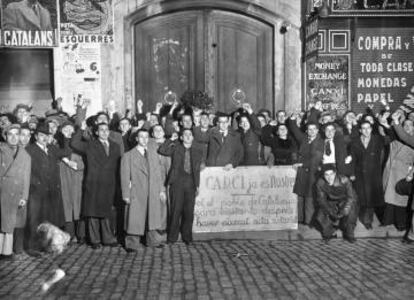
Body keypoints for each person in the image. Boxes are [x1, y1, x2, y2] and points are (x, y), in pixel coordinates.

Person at [71, 122, 120, 249]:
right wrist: (81, 128)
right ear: (96, 132)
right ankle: (95, 240)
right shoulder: (90, 145)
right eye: (101, 130)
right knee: (92, 211)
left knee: (106, 211)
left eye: (106, 129)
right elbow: (74, 143)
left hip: (109, 182)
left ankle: (108, 238)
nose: (104, 132)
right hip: (94, 182)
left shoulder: (115, 146)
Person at [25, 123, 70, 253]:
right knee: (36, 220)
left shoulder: (52, 148)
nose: (44, 138)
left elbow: (67, 152)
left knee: (50, 219)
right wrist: (36, 184)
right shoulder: (30, 150)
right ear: (36, 136)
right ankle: (33, 247)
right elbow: (27, 171)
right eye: (41, 135)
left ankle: (48, 246)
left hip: (52, 191)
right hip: (37, 192)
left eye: (47, 136)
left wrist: (65, 138)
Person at [120, 129, 167, 251]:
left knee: (152, 216)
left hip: (152, 191)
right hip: (136, 191)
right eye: (141, 137)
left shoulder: (153, 154)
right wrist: (126, 194)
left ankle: (153, 241)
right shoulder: (128, 156)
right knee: (134, 218)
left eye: (146, 137)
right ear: (136, 139)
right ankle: (132, 243)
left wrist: (161, 190)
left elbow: (158, 174)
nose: (144, 140)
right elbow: (124, 177)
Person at [158, 128, 204, 245]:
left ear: (193, 137)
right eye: (185, 134)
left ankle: (187, 237)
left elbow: (197, 170)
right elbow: (162, 150)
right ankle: (172, 237)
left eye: (190, 134)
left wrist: (197, 185)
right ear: (181, 137)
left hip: (191, 183)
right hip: (177, 182)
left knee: (189, 212)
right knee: (175, 211)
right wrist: (170, 140)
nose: (188, 136)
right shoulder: (176, 148)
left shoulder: (198, 150)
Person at [0, 124, 31, 259]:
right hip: (2, 191)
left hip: (16, 193)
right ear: (5, 136)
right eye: (10, 134)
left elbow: (26, 177)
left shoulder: (25, 155)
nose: (13, 137)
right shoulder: (1, 151)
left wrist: (24, 196)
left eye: (16, 134)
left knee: (11, 223)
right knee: (2, 222)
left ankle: (6, 251)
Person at [288, 115, 324, 225]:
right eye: (310, 129)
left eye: (314, 129)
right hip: (302, 172)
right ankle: (300, 219)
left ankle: (309, 221)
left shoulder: (321, 142)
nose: (312, 131)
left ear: (317, 130)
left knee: (309, 197)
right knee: (300, 196)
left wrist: (302, 164)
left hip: (313, 172)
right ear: (307, 131)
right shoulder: (304, 139)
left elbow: (316, 159)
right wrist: (292, 119)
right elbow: (294, 130)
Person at [350, 120, 385, 229]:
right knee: (358, 199)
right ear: (360, 130)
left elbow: (392, 137)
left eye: (368, 128)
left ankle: (367, 220)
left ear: (371, 129)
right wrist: (351, 173)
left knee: (370, 199)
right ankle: (352, 221)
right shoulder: (355, 142)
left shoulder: (378, 139)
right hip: (359, 175)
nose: (366, 130)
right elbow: (352, 159)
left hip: (373, 175)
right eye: (363, 128)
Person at [382, 119, 414, 231]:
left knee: (401, 200)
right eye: (405, 125)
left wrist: (411, 173)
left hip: (404, 173)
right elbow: (388, 132)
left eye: (411, 125)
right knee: (390, 199)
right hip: (391, 171)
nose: (408, 127)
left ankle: (401, 223)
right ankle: (388, 220)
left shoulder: (412, 140)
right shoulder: (397, 137)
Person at [315, 164, 357, 243]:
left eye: (331, 174)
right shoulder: (320, 183)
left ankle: (349, 234)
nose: (329, 177)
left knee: (351, 213)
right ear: (323, 175)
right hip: (331, 201)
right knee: (321, 214)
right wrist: (330, 211)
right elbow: (321, 200)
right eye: (326, 175)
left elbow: (351, 197)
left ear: (335, 173)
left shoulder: (344, 180)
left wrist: (345, 210)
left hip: (345, 200)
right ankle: (329, 233)